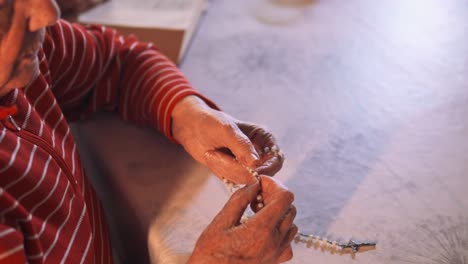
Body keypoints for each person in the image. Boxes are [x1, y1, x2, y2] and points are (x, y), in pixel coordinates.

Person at [0, 0, 297, 263]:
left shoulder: (29, 56)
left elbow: (117, 62)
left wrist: (188, 116)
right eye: (4, 6)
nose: (48, 13)